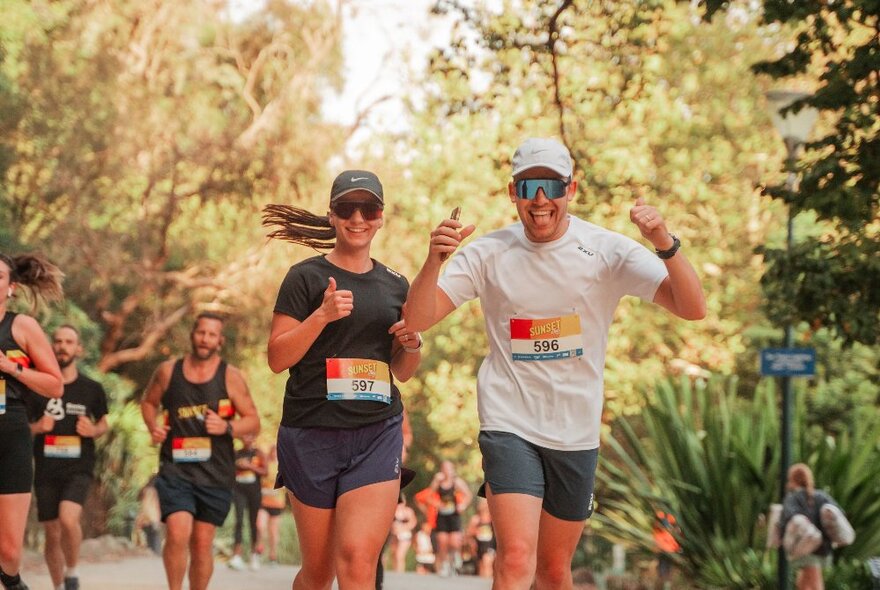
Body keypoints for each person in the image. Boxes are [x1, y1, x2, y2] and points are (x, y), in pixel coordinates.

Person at [406, 137, 706, 590]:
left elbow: (692, 306)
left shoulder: (607, 250)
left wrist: (663, 241)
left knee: (552, 572)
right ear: (513, 193)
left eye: (552, 186)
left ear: (572, 189)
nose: (541, 199)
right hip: (509, 420)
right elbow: (417, 319)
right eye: (529, 188)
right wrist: (434, 261)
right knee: (516, 559)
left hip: (575, 428)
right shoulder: (488, 253)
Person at [264, 169, 422, 590]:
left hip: (376, 433)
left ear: (381, 216)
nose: (358, 218)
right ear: (331, 215)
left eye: (367, 208)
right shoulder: (305, 277)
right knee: (318, 573)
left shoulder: (395, 284)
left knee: (356, 562)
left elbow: (402, 371)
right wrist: (322, 315)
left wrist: (413, 343)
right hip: (311, 432)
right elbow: (277, 358)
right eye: (346, 209)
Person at [140, 312, 260, 590]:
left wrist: (227, 427)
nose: (205, 339)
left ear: (220, 341)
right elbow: (149, 403)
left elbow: (252, 421)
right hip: (175, 469)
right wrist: (152, 426)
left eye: (211, 335)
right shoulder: (168, 371)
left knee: (202, 543)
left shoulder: (230, 377)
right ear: (192, 335)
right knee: (178, 532)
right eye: (201, 333)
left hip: (215, 472)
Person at [0, 252, 64, 590]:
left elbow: (55, 384)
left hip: (10, 434)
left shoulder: (21, 326)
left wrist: (11, 368)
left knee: (8, 551)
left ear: (11, 287)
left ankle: (12, 581)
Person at [30, 325, 109, 590]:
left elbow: (104, 423)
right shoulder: (37, 387)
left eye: (69, 342)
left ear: (79, 349)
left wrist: (93, 429)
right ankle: (58, 586)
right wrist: (38, 428)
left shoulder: (92, 388)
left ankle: (72, 572)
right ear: (51, 346)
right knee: (52, 533)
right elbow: (20, 424)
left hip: (79, 467)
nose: (63, 346)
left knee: (68, 518)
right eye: (58, 341)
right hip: (45, 468)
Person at [779, 463, 840, 590]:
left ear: (793, 479)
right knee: (806, 581)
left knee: (814, 582)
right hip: (823, 547)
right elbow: (838, 513)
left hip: (805, 546)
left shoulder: (793, 498)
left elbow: (788, 517)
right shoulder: (821, 496)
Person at [228, 433, 267, 571]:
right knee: (238, 520)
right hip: (239, 490)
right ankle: (236, 555)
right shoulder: (237, 453)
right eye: (244, 436)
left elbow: (265, 471)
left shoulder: (258, 453)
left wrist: (249, 466)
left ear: (254, 438)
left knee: (253, 522)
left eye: (249, 436)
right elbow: (229, 470)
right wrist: (238, 466)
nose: (247, 439)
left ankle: (254, 555)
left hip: (254, 491)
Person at [429, 460, 472, 576]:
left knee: (454, 542)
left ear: (452, 470)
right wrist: (437, 504)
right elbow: (429, 496)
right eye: (444, 468)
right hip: (442, 515)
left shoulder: (456, 482)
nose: (447, 471)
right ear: (442, 470)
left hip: (454, 515)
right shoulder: (438, 481)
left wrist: (462, 505)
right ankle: (444, 565)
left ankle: (454, 560)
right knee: (442, 542)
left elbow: (468, 495)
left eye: (449, 468)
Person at [256, 443, 285, 566]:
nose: (274, 454)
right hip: (263, 502)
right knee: (260, 526)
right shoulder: (265, 465)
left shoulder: (283, 467)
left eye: (276, 452)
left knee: (273, 532)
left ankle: (273, 557)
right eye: (273, 451)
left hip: (277, 504)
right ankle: (259, 549)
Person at [387, 494, 418, 572]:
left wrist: (402, 528)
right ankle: (395, 571)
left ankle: (400, 573)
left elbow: (413, 522)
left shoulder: (408, 511)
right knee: (394, 554)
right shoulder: (391, 510)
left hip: (404, 535)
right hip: (394, 535)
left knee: (400, 555)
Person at [467, 498, 496, 578]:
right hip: (479, 545)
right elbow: (468, 534)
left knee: (487, 562)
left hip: (490, 544)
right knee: (481, 566)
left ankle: (487, 580)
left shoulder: (493, 518)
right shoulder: (476, 519)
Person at [652, 510, 680, 590]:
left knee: (668, 571)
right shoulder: (658, 529)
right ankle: (665, 585)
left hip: (670, 551)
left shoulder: (671, 525)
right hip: (663, 551)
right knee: (663, 571)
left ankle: (667, 585)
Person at [135, 475, 163, 555]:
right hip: (152, 518)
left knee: (151, 541)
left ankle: (153, 557)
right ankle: (155, 558)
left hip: (147, 519)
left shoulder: (146, 490)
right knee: (155, 541)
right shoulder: (152, 491)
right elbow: (149, 507)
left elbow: (144, 506)